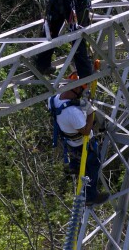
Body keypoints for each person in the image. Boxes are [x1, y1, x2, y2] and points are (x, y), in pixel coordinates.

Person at [48, 73, 109, 206]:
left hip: (69, 140)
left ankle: (74, 165)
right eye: (82, 90)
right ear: (75, 90)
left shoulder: (54, 99)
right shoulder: (72, 113)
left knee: (76, 156)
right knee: (93, 165)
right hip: (82, 143)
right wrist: (90, 112)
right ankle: (91, 197)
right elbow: (86, 131)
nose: (83, 93)